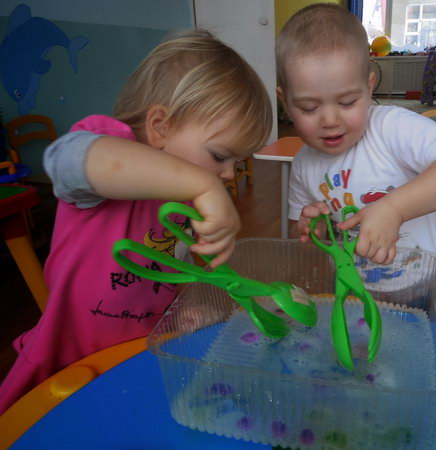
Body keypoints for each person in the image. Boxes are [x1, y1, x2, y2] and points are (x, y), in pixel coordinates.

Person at [0, 29, 272, 414]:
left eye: (235, 164)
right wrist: (203, 182)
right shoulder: (108, 148)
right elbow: (65, 158)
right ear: (159, 126)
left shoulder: (184, 202)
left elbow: (169, 273)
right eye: (219, 156)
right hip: (70, 364)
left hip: (139, 356)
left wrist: (194, 307)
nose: (226, 174)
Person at [276, 4, 436, 294]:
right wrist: (313, 229)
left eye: (348, 102)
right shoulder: (302, 164)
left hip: (426, 282)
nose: (329, 120)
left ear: (369, 86)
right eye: (308, 107)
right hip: (354, 286)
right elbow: (299, 234)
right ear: (285, 102)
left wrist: (394, 208)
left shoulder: (390, 126)